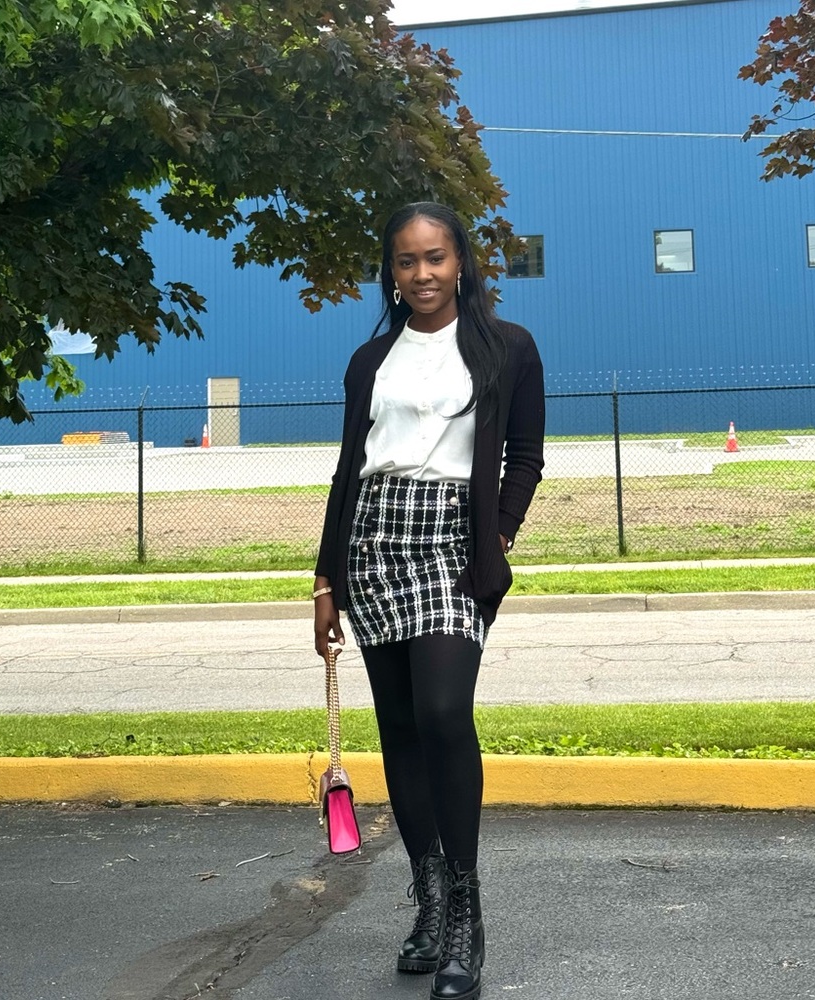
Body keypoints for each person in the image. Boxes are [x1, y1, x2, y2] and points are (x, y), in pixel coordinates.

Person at [313, 201, 545, 1000]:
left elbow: (526, 457)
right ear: (392, 270)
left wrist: (499, 535)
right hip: (373, 541)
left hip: (453, 545)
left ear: (461, 263)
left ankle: (468, 917)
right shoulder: (369, 360)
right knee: (403, 731)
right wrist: (324, 580)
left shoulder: (507, 348)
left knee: (445, 713)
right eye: (406, 261)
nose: (422, 274)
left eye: (435, 258)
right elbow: (349, 472)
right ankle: (431, 903)